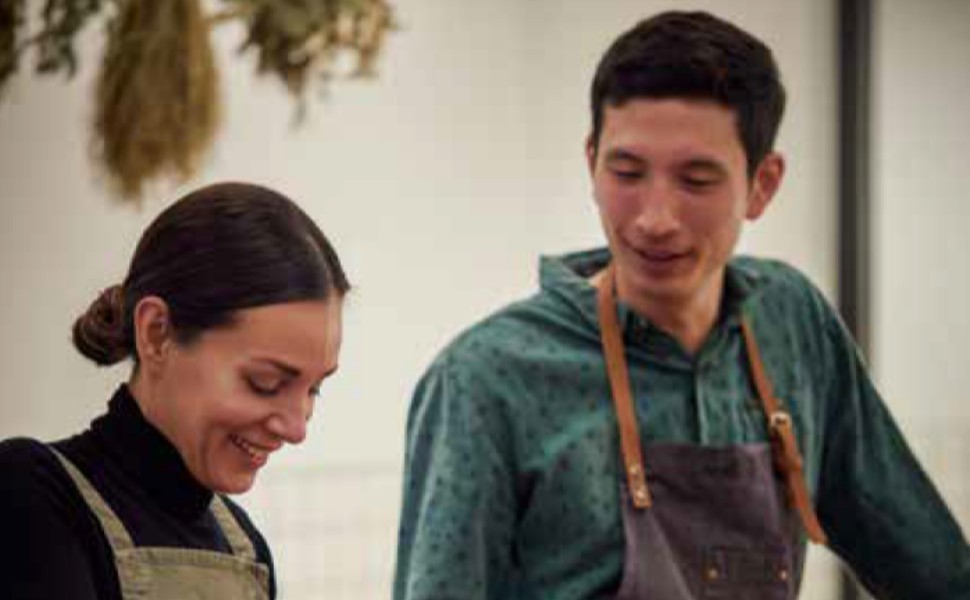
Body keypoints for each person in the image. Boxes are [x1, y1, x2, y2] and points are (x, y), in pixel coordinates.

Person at [393, 10, 969, 600]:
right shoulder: (484, 380)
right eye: (627, 173)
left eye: (696, 181)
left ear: (763, 184)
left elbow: (930, 566)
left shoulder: (792, 322)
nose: (655, 219)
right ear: (591, 163)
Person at [0, 182, 349, 599]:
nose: (296, 429)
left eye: (314, 390)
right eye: (265, 383)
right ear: (157, 334)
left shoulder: (247, 548)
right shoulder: (29, 495)